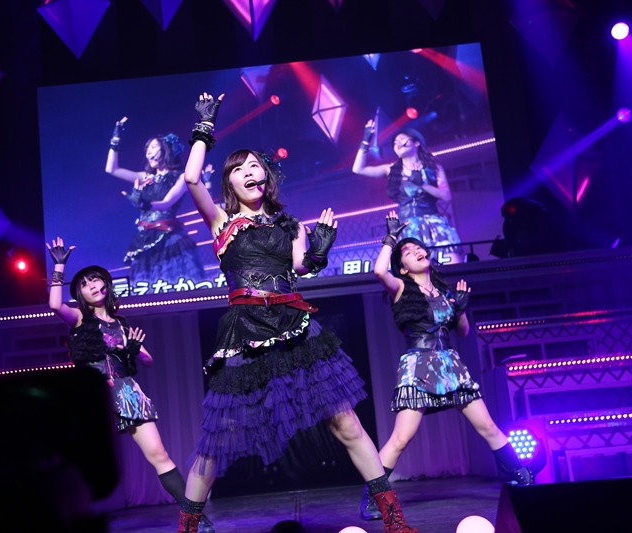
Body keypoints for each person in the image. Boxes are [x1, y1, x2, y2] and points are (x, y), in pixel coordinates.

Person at [174, 92, 418, 533]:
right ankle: (187, 528)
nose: (250, 172)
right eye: (240, 169)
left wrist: (320, 249)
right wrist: (204, 127)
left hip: (295, 326)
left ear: (266, 177)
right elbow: (192, 178)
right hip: (245, 331)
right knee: (217, 439)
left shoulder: (290, 226)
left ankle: (393, 519)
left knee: (346, 423)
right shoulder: (222, 223)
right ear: (230, 184)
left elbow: (302, 266)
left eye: (255, 166)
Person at [358, 211, 533, 521]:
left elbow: (462, 332)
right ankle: (374, 497)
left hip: (450, 366)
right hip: (419, 367)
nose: (417, 251)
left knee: (487, 426)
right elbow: (378, 270)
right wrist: (391, 239)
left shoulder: (445, 293)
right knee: (401, 438)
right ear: (403, 267)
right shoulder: (400, 288)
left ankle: (522, 474)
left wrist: (461, 309)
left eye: (419, 247)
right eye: (409, 251)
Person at [46, 238, 214, 532]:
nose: (92, 285)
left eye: (95, 279)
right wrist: (59, 266)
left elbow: (148, 360)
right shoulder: (79, 318)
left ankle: (195, 521)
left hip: (126, 392)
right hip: (94, 395)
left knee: (160, 456)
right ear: (81, 294)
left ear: (106, 284)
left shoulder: (122, 324)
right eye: (84, 284)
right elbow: (54, 304)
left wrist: (133, 350)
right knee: (84, 463)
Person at [105, 119, 207, 289]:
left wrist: (143, 204)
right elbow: (112, 169)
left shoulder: (181, 177)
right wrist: (115, 138)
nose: (148, 152)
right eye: (147, 149)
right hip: (144, 237)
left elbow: (166, 203)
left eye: (153, 147)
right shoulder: (145, 177)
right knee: (147, 285)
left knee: (173, 281)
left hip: (169, 237)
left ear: (165, 150)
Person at [352, 120, 464, 264]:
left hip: (433, 223)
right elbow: (358, 169)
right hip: (408, 227)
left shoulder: (433, 166)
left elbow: (446, 196)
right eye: (395, 142)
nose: (398, 143)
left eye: (402, 139)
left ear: (416, 143)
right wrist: (365, 141)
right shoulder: (391, 169)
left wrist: (422, 184)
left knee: (453, 263)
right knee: (415, 270)